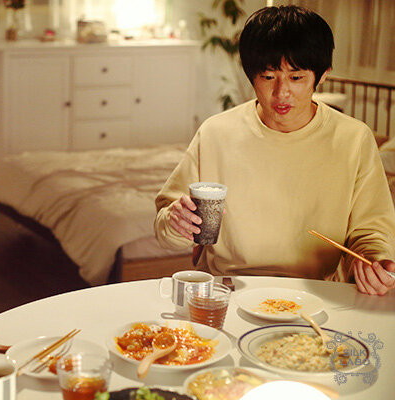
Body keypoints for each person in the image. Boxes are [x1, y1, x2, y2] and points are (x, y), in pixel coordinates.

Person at [154, 5, 395, 296]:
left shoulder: (354, 138)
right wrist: (176, 223)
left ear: (322, 76)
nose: (282, 93)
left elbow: (372, 232)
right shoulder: (216, 133)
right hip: (227, 291)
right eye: (268, 77)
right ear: (251, 75)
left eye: (296, 78)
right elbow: (166, 230)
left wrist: (372, 262)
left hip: (319, 294)